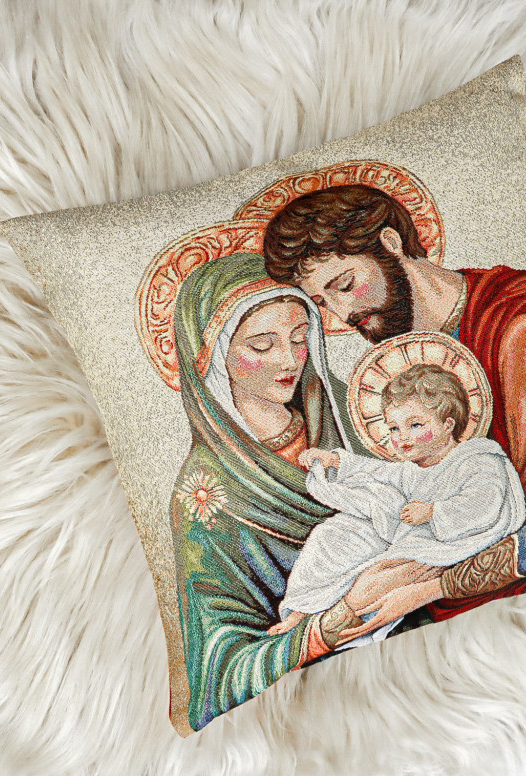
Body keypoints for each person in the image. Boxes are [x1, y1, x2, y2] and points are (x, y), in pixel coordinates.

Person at [261, 183, 526, 640]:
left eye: (345, 285)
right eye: (323, 303)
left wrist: (431, 586)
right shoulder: (403, 361)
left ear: (390, 243)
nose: (342, 313)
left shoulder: (522, 329)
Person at [169, 252, 441, 731]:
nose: (288, 360)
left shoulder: (353, 419)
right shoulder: (207, 496)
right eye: (262, 344)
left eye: (299, 339)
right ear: (211, 355)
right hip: (319, 708)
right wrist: (343, 614)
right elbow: (221, 673)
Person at [268, 363, 525, 638]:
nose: (402, 437)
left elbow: (483, 506)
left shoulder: (479, 460)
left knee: (374, 578)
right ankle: (301, 609)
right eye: (393, 428)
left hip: (446, 543)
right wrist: (336, 461)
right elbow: (379, 471)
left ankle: (327, 623)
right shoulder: (416, 467)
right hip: (406, 534)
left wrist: (433, 512)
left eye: (415, 425)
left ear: (448, 424)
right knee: (331, 533)